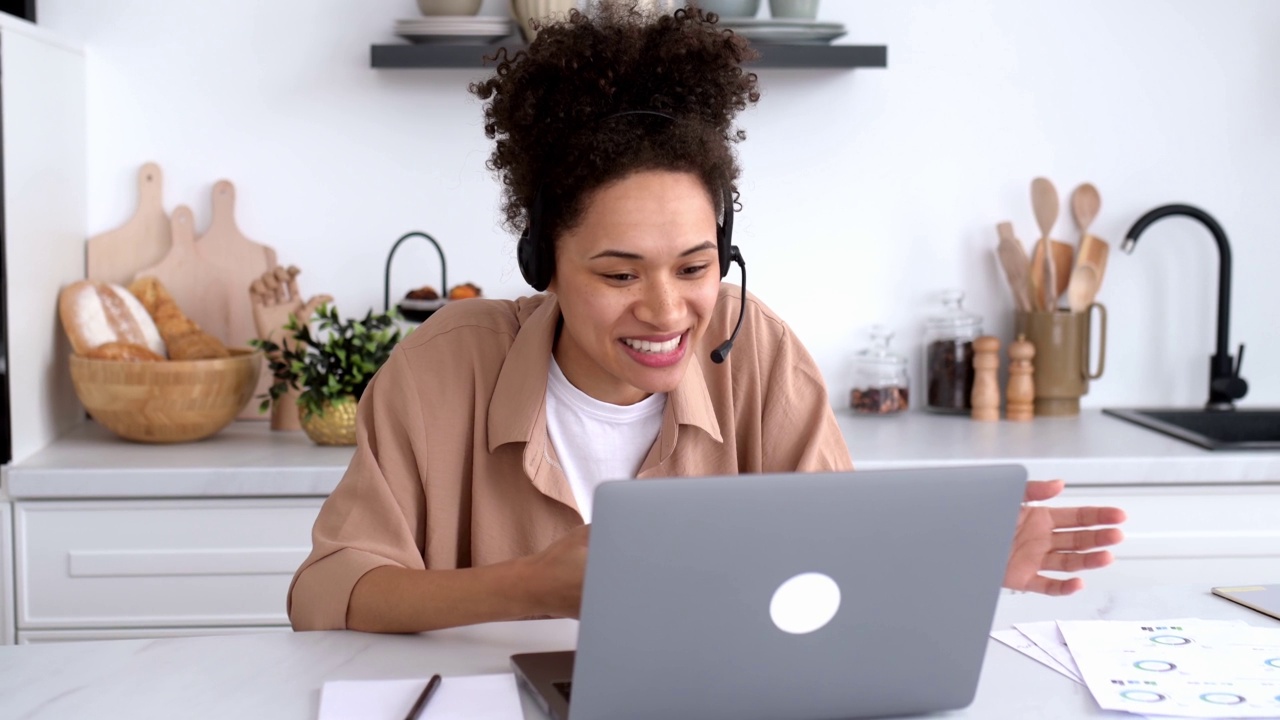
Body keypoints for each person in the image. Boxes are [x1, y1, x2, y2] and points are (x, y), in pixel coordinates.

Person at [287, 2, 1125, 634]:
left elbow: (837, 564)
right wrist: (529, 587)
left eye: (695, 267)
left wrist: (961, 560)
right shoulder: (445, 367)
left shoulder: (755, 351)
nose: (665, 309)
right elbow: (325, 594)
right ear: (543, 262)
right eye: (618, 273)